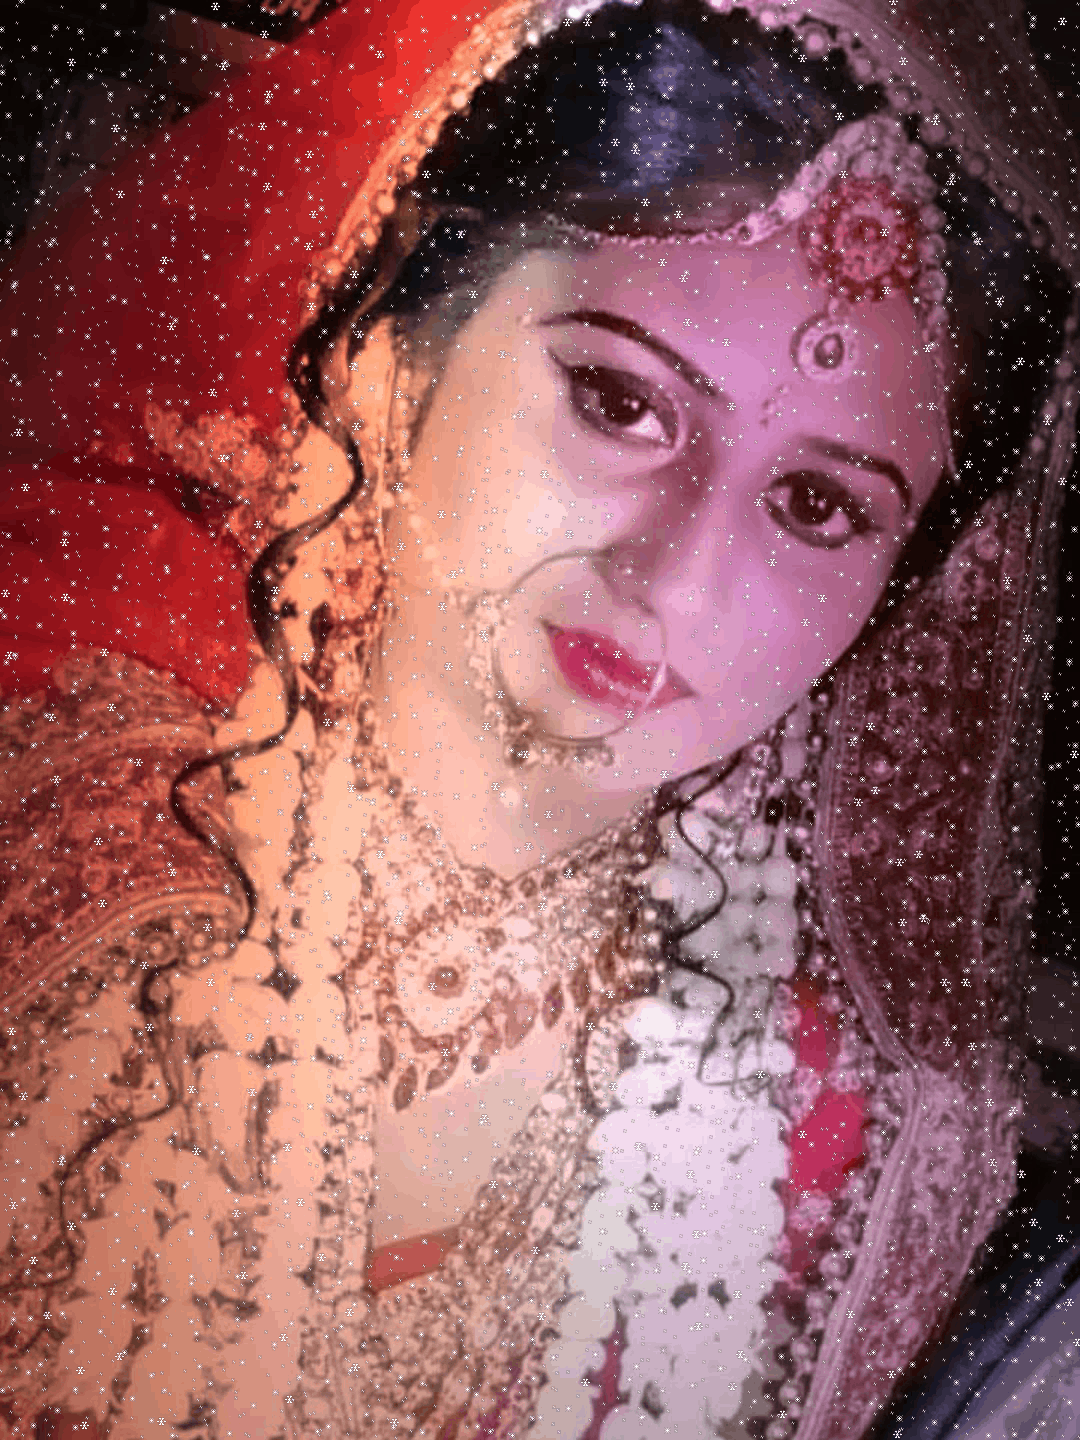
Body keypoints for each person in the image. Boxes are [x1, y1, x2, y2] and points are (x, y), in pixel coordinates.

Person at [0, 1, 1074, 1438]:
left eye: (818, 506)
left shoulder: (834, 1153)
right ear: (402, 340)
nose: (675, 574)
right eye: (620, 402)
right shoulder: (66, 825)